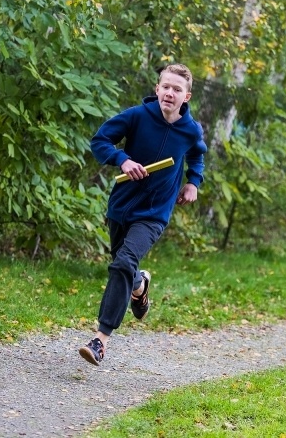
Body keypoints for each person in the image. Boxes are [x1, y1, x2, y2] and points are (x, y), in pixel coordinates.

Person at [79, 63, 207, 365]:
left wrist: (193, 182)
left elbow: (197, 154)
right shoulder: (136, 116)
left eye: (177, 89)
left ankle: (100, 340)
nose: (170, 93)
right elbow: (100, 141)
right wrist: (122, 160)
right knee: (123, 266)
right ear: (157, 89)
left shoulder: (191, 130)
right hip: (122, 206)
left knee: (123, 262)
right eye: (166, 87)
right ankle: (139, 285)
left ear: (185, 96)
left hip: (154, 213)